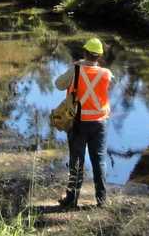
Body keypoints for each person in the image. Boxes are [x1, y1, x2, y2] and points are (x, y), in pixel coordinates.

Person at [54, 37, 112, 209]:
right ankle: (102, 200)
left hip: (78, 123)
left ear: (85, 53)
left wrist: (75, 66)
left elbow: (58, 84)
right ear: (99, 56)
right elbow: (105, 84)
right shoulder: (106, 73)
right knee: (99, 161)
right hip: (100, 123)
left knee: (77, 161)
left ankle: (72, 200)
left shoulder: (75, 69)